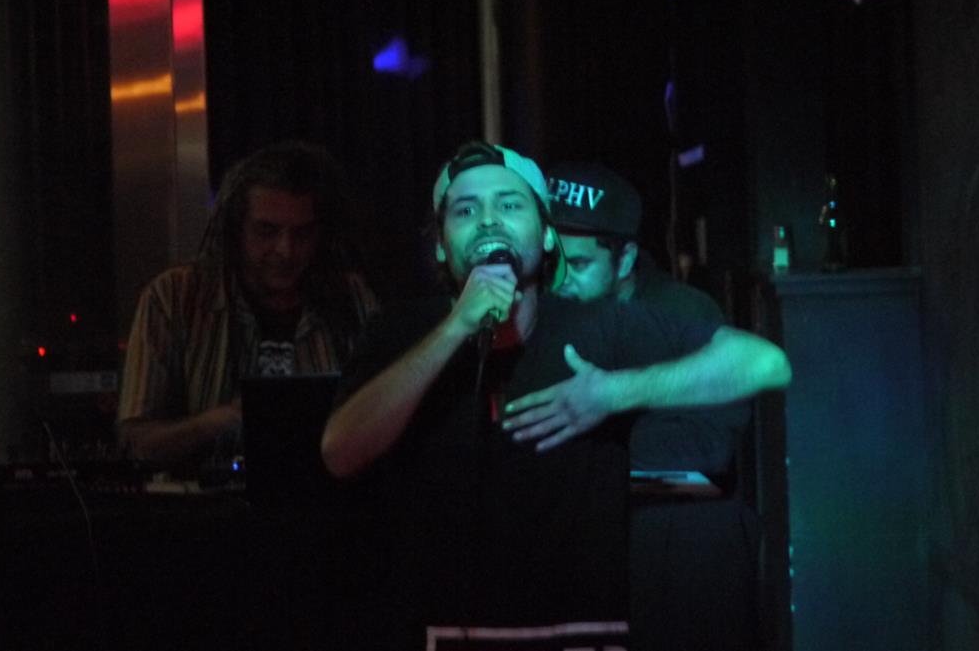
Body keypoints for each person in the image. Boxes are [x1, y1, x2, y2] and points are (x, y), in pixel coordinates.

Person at [322, 140, 790, 649]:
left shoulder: (599, 327)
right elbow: (341, 453)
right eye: (465, 210)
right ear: (440, 244)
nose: (488, 221)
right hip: (440, 633)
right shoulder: (399, 332)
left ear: (546, 237)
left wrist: (615, 392)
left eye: (510, 205)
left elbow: (765, 363)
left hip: (579, 633)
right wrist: (456, 327)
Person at [547, 159, 766, 650]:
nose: (560, 282)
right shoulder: (548, 314)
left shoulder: (685, 317)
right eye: (551, 265)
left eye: (578, 265)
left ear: (625, 260)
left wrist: (591, 465)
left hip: (677, 561)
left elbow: (705, 463)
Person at [117, 140, 379, 467]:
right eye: (266, 231)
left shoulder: (351, 297)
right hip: (209, 500)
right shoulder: (173, 298)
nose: (285, 250)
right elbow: (135, 442)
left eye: (302, 233)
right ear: (235, 228)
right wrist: (224, 421)